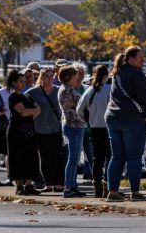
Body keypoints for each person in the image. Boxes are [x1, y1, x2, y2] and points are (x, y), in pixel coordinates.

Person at [105, 46, 146, 202]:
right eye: (140, 57)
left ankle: (112, 191)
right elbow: (145, 96)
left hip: (112, 117)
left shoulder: (117, 73)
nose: (143, 60)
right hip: (132, 119)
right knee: (134, 157)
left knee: (117, 157)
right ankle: (135, 192)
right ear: (131, 59)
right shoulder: (136, 73)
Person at [26, 67, 65, 192]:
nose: (49, 78)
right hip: (40, 129)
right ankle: (47, 184)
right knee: (44, 157)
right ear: (41, 77)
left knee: (57, 158)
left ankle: (58, 184)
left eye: (51, 76)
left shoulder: (59, 90)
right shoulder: (33, 92)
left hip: (56, 129)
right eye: (46, 76)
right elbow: (24, 106)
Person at [76, 64, 112, 198]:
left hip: (94, 127)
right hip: (108, 127)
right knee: (110, 157)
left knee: (97, 158)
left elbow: (79, 109)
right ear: (106, 75)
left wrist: (87, 120)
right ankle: (107, 185)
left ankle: (97, 186)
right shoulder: (109, 89)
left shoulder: (90, 90)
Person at [5, 69, 42, 196]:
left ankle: (29, 185)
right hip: (16, 132)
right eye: (20, 81)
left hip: (30, 132)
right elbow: (23, 112)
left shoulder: (27, 96)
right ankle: (19, 186)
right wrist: (33, 111)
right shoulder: (13, 97)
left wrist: (31, 111)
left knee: (31, 157)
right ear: (14, 83)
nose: (23, 83)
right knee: (17, 158)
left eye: (24, 81)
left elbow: (39, 110)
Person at [58, 65, 86, 198]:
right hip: (73, 126)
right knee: (73, 158)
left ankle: (73, 186)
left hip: (75, 125)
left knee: (74, 158)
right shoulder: (67, 91)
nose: (77, 78)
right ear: (69, 77)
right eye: (75, 75)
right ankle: (68, 187)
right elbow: (75, 109)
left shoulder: (67, 89)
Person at [73, 63, 94, 182]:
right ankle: (72, 180)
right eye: (78, 73)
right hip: (73, 127)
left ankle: (95, 178)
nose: (80, 76)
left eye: (82, 73)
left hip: (86, 127)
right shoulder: (68, 89)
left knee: (90, 154)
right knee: (74, 155)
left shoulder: (86, 89)